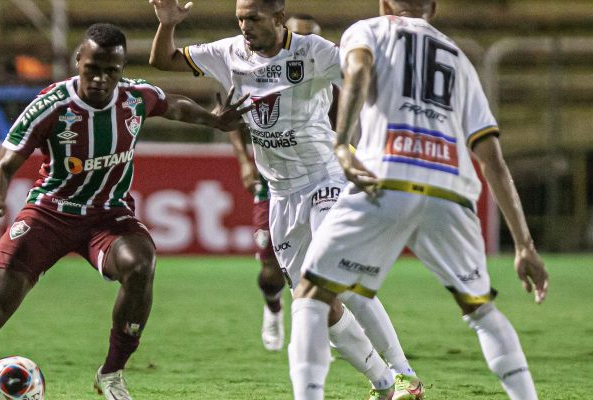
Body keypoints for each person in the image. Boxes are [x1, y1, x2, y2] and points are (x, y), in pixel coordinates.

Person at [0, 23, 251, 400]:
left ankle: (111, 373)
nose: (102, 79)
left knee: (141, 265)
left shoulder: (134, 98)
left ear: (121, 69)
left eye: (112, 71)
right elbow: (2, 166)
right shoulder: (52, 104)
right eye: (93, 69)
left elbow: (173, 105)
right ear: (78, 62)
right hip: (50, 214)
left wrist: (214, 119)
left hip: (108, 215)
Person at [149, 1, 423, 398]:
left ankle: (405, 374)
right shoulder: (230, 53)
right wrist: (167, 25)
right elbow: (163, 60)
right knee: (313, 303)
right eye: (240, 18)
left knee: (335, 279)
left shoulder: (313, 51)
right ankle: (384, 383)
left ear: (278, 18)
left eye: (254, 18)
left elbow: (366, 79)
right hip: (280, 192)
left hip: (324, 178)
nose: (245, 25)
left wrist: (358, 140)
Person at [288, 0, 550, 399]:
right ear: (432, 7)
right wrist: (524, 245)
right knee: (481, 312)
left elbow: (357, 70)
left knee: (311, 295)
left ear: (384, 3)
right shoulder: (459, 57)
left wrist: (341, 144)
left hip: (387, 177)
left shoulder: (368, 29)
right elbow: (492, 158)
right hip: (450, 189)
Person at [227, 13, 323, 353]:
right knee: (270, 269)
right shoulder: (253, 69)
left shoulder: (326, 80)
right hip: (273, 183)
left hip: (318, 179)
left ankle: (321, 328)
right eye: (295, 36)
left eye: (308, 39)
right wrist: (243, 160)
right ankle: (273, 306)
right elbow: (231, 115)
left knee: (327, 259)